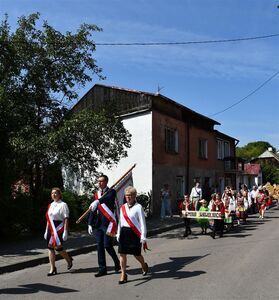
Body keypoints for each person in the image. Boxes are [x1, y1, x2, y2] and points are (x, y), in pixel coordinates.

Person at [88, 175, 120, 277]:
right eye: (98, 182)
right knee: (100, 247)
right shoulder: (96, 194)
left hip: (108, 224)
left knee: (107, 245)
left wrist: (98, 201)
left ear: (106, 181)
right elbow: (93, 209)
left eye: (101, 181)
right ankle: (102, 269)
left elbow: (108, 199)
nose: (99, 183)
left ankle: (117, 262)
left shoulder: (111, 192)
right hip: (98, 224)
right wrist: (89, 223)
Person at [117, 186, 149, 284]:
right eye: (126, 195)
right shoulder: (123, 207)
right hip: (124, 232)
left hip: (134, 233)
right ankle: (123, 274)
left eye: (130, 195)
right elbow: (120, 222)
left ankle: (143, 265)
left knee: (136, 254)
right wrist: (118, 233)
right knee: (122, 254)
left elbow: (143, 223)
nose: (128, 197)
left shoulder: (138, 207)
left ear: (134, 196)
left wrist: (143, 236)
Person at [44, 187, 73, 276]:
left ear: (60, 194)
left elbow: (66, 218)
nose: (54, 194)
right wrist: (46, 230)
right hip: (50, 228)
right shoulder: (50, 205)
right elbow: (48, 219)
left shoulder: (63, 204)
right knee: (50, 248)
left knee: (58, 248)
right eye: (52, 193)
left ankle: (68, 259)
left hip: (59, 228)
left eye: (56, 193)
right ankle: (52, 268)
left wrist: (65, 231)